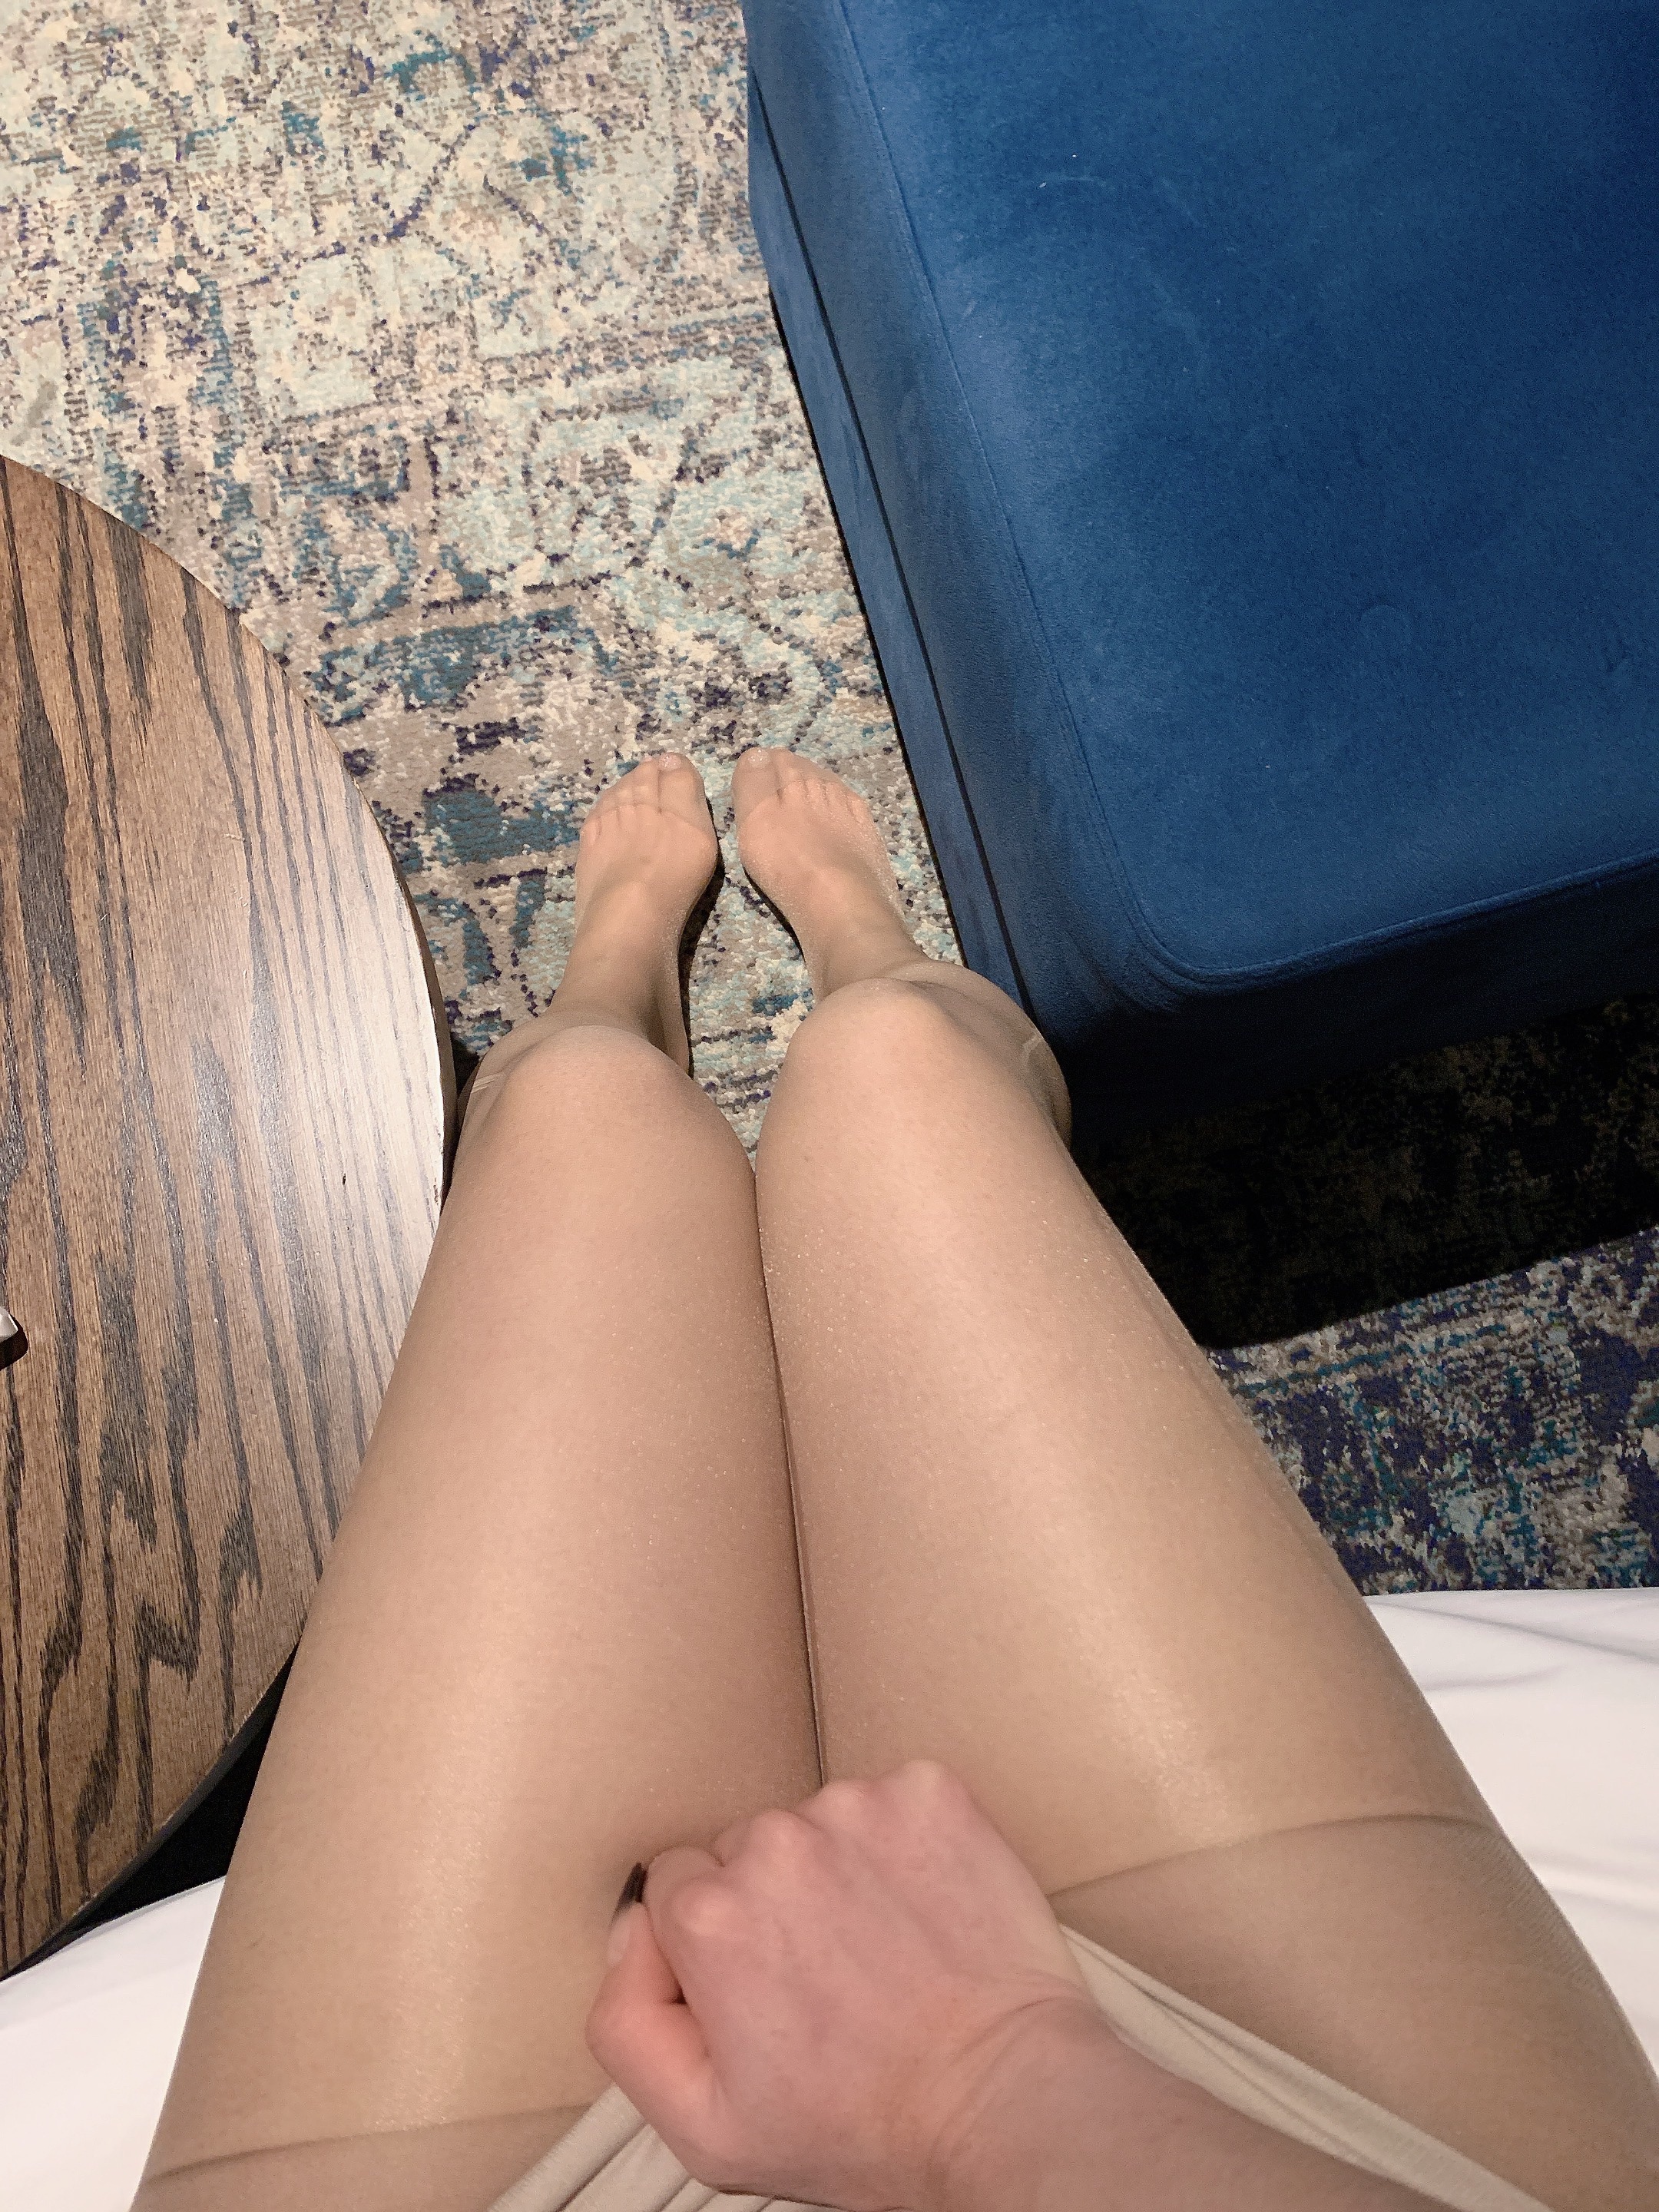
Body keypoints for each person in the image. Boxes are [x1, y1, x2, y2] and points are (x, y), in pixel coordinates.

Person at [131, 750, 1659, 2212]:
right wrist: (988, 2078)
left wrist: (971, 2088)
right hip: (1280, 2146)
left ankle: (611, 997)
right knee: (895, 1074)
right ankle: (854, 953)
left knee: (582, 1120)